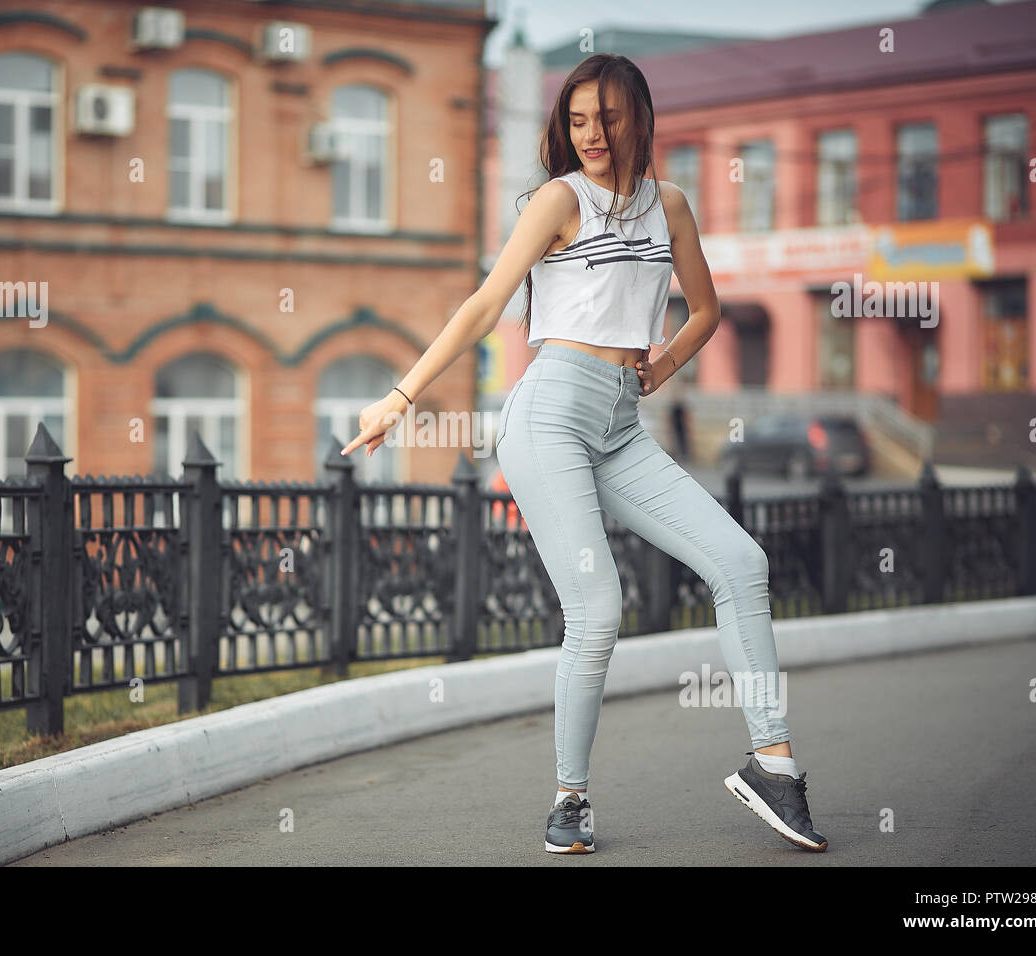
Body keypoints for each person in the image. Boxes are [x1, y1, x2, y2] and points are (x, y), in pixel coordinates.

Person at [340, 53, 826, 856]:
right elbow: (487, 301)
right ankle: (571, 798)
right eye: (577, 119)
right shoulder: (560, 200)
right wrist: (401, 397)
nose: (592, 133)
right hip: (548, 415)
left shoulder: (670, 206)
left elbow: (704, 311)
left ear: (639, 116)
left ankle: (774, 764)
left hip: (621, 423)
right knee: (598, 612)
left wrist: (659, 367)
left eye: (607, 116)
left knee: (741, 565)